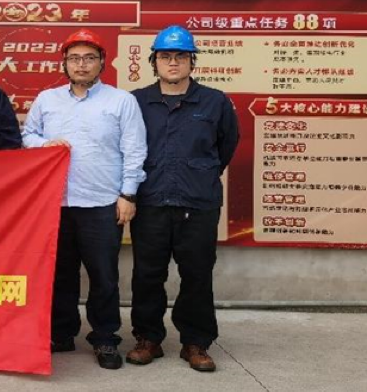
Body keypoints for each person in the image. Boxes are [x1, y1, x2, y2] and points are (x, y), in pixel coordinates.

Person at [22, 29, 147, 370]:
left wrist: (128, 194)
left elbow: (135, 150)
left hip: (102, 202)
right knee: (60, 273)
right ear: (64, 63)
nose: (81, 65)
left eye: (89, 58)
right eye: (74, 58)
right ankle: (61, 333)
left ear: (102, 63)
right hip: (55, 203)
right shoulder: (47, 100)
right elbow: (27, 135)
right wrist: (43, 145)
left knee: (103, 275)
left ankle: (105, 337)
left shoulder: (121, 101)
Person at [126, 25, 239, 372]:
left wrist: (198, 174)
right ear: (154, 62)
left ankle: (196, 341)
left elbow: (227, 146)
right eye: (165, 56)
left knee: (197, 275)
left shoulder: (214, 101)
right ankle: (148, 338)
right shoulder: (136, 102)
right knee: (147, 274)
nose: (173, 62)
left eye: (180, 56)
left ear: (192, 62)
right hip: (151, 201)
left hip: (198, 203)